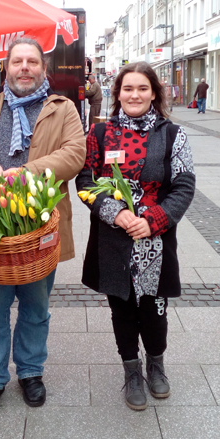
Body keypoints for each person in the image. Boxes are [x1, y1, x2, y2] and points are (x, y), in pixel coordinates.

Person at [0, 37, 86, 418]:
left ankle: (30, 372)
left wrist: (26, 175)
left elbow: (75, 153)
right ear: (6, 67)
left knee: (36, 307)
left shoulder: (63, 108)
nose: (25, 67)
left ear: (43, 68)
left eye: (32, 62)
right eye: (17, 61)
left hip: (41, 225)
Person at [76, 61, 195, 411]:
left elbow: (184, 186)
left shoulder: (173, 135)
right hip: (114, 241)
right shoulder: (99, 135)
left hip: (155, 243)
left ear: (154, 93)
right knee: (123, 311)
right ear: (118, 94)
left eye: (143, 88)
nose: (135, 94)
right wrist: (118, 214)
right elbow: (85, 182)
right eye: (128, 88)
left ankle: (156, 366)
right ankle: (131, 370)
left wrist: (155, 219)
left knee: (155, 311)